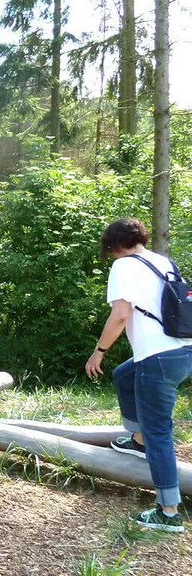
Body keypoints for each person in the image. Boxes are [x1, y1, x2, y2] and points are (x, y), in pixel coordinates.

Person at [85, 218, 191, 533]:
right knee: (124, 374)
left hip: (157, 359)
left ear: (114, 245)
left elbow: (120, 315)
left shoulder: (123, 266)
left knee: (160, 433)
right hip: (184, 351)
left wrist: (98, 351)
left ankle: (168, 512)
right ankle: (138, 440)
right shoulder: (163, 261)